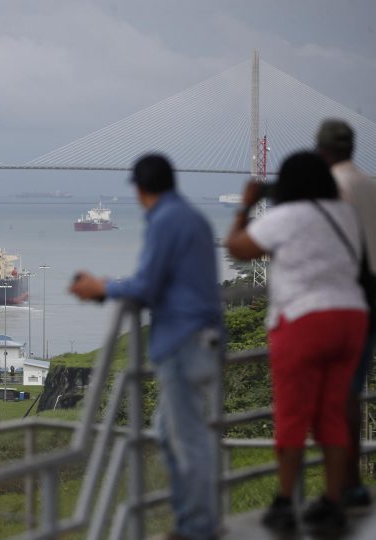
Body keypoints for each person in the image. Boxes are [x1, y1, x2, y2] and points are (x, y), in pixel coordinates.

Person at [71, 154, 223, 540]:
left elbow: (147, 285)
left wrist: (101, 288)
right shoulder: (193, 218)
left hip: (184, 341)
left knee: (185, 441)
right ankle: (193, 523)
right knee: (172, 434)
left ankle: (198, 528)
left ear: (140, 190)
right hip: (202, 336)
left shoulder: (166, 221)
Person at [226, 151, 367, 534]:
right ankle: (334, 502)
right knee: (333, 414)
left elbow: (237, 247)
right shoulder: (345, 216)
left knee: (292, 416)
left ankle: (286, 501)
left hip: (304, 322)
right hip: (351, 320)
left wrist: (246, 205)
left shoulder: (284, 217)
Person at [317, 119, 376, 508]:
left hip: (343, 301)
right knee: (349, 394)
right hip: (371, 298)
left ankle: (340, 488)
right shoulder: (371, 186)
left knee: (333, 398)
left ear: (322, 151)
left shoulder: (330, 190)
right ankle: (350, 483)